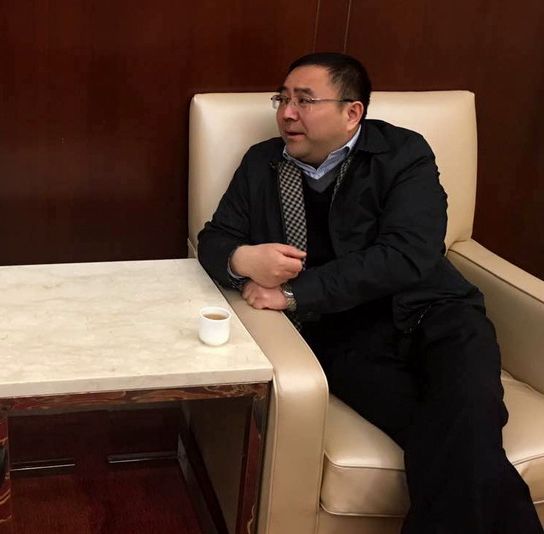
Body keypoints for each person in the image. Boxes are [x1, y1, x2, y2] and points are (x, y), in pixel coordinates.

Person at [198, 52, 542, 533]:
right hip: (344, 336)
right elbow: (213, 240)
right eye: (283, 99)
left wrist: (295, 293)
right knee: (457, 436)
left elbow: (409, 253)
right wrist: (242, 260)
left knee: (467, 413)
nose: (287, 113)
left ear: (352, 112)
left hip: (438, 313)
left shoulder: (403, 154)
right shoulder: (263, 163)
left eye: (304, 100)